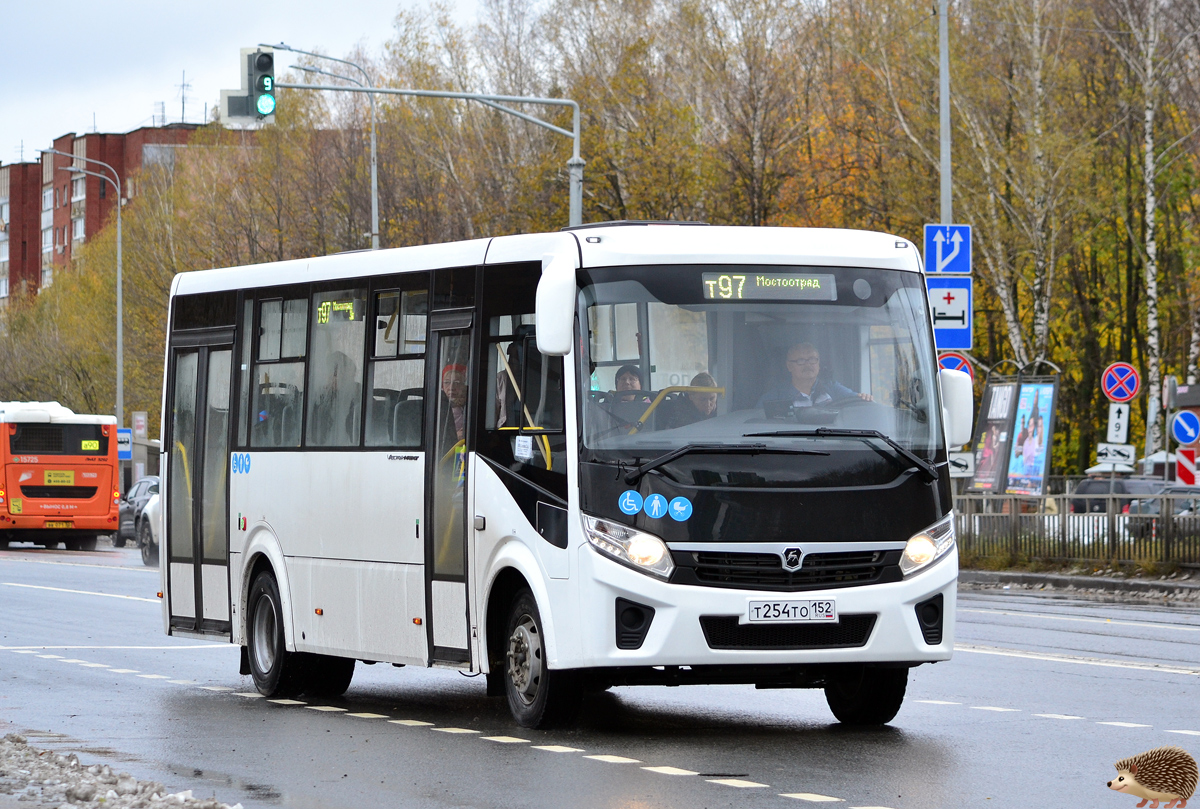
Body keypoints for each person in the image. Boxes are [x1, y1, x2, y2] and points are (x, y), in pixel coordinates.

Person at [757, 342, 872, 409]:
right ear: (789, 366)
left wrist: (864, 398)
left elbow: (857, 403)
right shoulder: (772, 399)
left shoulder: (833, 389)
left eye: (812, 359)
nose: (808, 365)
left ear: (818, 364)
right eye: (801, 360)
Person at [441, 363, 468, 441]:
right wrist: (455, 435)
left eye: (456, 383)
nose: (451, 388)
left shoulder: (471, 404)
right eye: (446, 382)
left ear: (463, 385)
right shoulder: (438, 406)